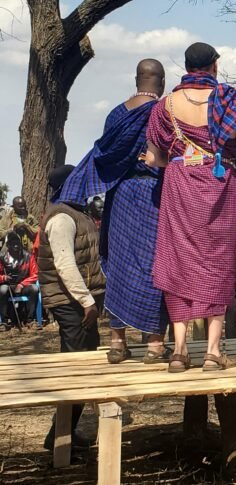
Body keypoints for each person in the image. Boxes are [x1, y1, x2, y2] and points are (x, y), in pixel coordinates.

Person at [145, 42, 236, 372]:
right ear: (214, 66)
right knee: (218, 262)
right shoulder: (230, 103)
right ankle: (213, 351)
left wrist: (183, 159)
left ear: (185, 67)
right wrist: (230, 159)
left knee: (177, 260)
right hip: (220, 184)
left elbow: (154, 158)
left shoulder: (164, 106)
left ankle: (180, 352)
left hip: (179, 185)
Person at [57, 59, 169, 364]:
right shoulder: (163, 112)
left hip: (119, 196)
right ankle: (155, 345)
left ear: (137, 81)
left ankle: (117, 342)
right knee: (154, 265)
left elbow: (106, 158)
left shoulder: (116, 115)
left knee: (118, 265)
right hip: (153, 195)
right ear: (161, 82)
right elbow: (168, 155)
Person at [38, 165, 105, 452]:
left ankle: (65, 433)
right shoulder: (62, 217)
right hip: (72, 303)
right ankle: (59, 439)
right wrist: (87, 301)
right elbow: (65, 265)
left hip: (79, 302)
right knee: (76, 367)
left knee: (85, 364)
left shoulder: (76, 211)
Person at [0, 232, 39, 330]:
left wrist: (22, 284)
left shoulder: (28, 256)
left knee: (34, 288)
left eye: (18, 243)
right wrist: (3, 278)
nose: (16, 246)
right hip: (8, 285)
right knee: (2, 290)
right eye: (13, 244)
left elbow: (35, 274)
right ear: (8, 245)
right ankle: (4, 322)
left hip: (23, 285)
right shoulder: (1, 257)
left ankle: (31, 320)